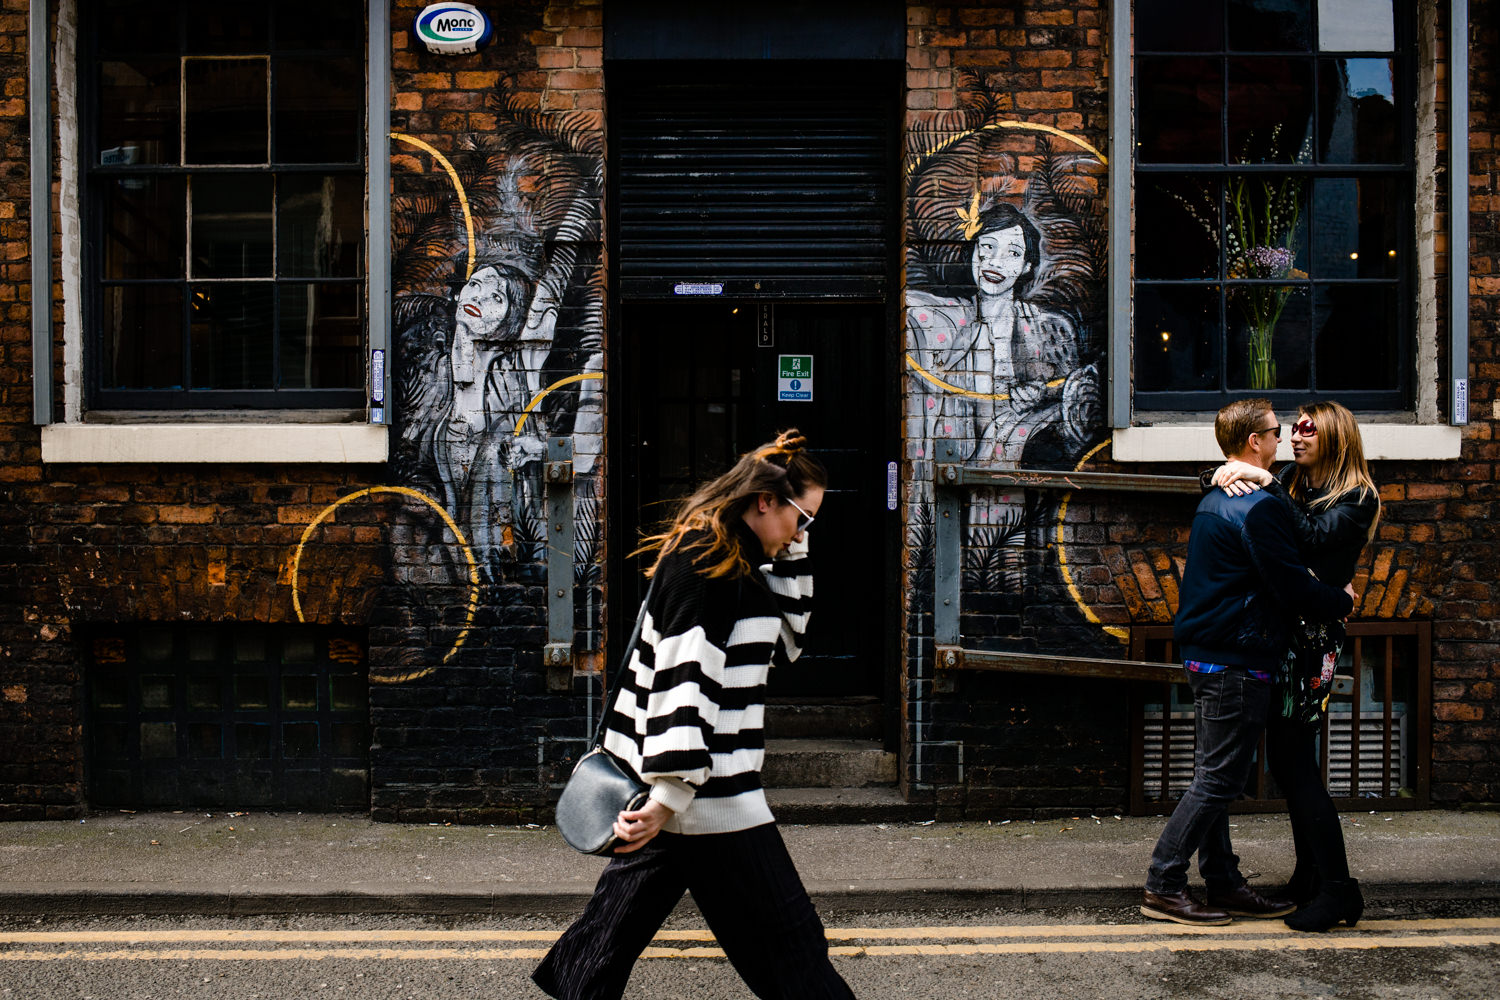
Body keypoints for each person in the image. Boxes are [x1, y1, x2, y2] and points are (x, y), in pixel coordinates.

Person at [533, 430, 855, 1000]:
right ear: (764, 501)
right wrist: (668, 798)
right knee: (795, 951)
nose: (803, 534)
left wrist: (792, 544)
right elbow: (685, 685)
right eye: (801, 519)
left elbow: (790, 637)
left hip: (684, 797)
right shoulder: (709, 567)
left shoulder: (740, 560)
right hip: (711, 798)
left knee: (602, 946)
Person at [1142, 398, 1356, 926]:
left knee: (1210, 774)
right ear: (1255, 441)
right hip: (1235, 656)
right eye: (1278, 432)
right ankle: (1164, 884)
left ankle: (1222, 881)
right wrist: (1343, 601)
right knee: (1217, 780)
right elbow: (1292, 586)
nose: (1285, 439)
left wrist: (1225, 471)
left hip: (1210, 651)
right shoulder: (1258, 504)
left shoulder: (1225, 494)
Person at [1209, 401, 1380, 932]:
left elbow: (1308, 537)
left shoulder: (1357, 499)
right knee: (1287, 765)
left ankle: (1339, 890)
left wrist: (1260, 477)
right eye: (1293, 429)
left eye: (1308, 430)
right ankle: (1311, 876)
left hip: (1313, 643)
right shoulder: (1289, 478)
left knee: (1296, 765)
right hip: (1279, 637)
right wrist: (1219, 473)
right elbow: (1241, 497)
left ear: (1334, 437)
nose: (1297, 437)